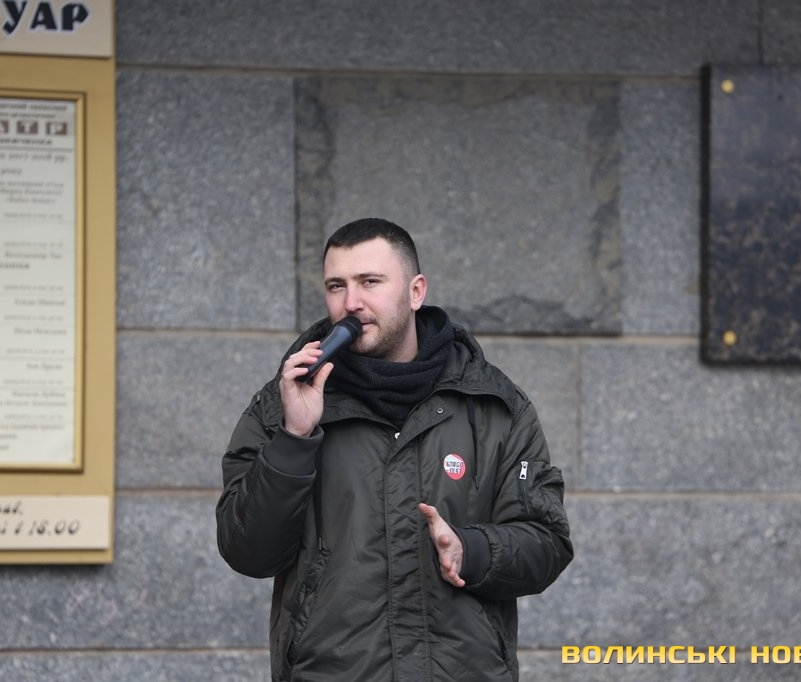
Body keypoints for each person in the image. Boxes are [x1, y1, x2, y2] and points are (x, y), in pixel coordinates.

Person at [216, 218, 573, 681]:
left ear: (415, 291)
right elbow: (247, 552)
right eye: (336, 286)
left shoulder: (494, 405)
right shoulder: (279, 406)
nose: (351, 303)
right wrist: (294, 439)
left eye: (370, 282)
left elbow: (547, 542)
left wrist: (473, 551)